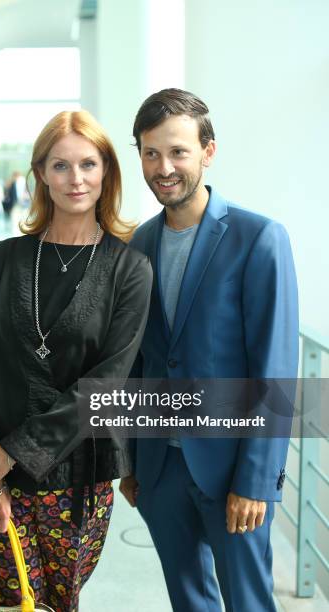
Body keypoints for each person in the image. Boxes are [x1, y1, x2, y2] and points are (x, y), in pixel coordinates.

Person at [0, 109, 152, 611]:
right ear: (41, 173)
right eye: (61, 166)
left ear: (106, 172)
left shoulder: (130, 269)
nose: (76, 179)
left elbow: (108, 384)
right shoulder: (5, 258)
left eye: (88, 164)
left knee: (56, 602)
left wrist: (15, 452)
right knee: (2, 600)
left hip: (79, 477)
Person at [120, 89, 299, 612]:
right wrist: (129, 460)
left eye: (177, 151)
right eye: (151, 153)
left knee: (248, 603)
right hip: (160, 471)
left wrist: (256, 481)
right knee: (189, 602)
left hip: (230, 470)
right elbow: (138, 364)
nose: (164, 167)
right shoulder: (140, 245)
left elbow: (275, 371)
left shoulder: (259, 238)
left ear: (208, 151)